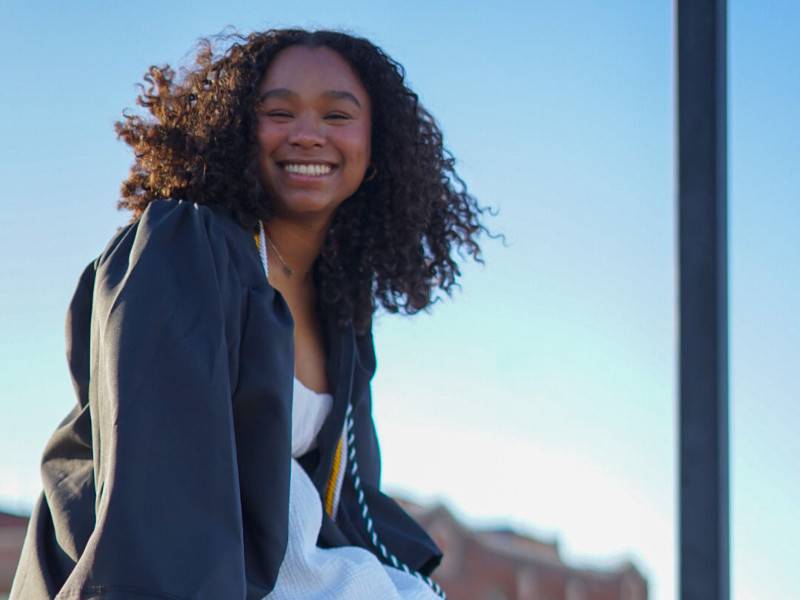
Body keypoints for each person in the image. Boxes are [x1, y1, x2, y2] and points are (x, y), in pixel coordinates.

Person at [10, 28, 491, 600]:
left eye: (337, 116)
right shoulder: (186, 249)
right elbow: (161, 494)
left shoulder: (342, 314)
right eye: (279, 111)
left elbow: (347, 512)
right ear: (238, 127)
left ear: (376, 143)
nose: (308, 135)